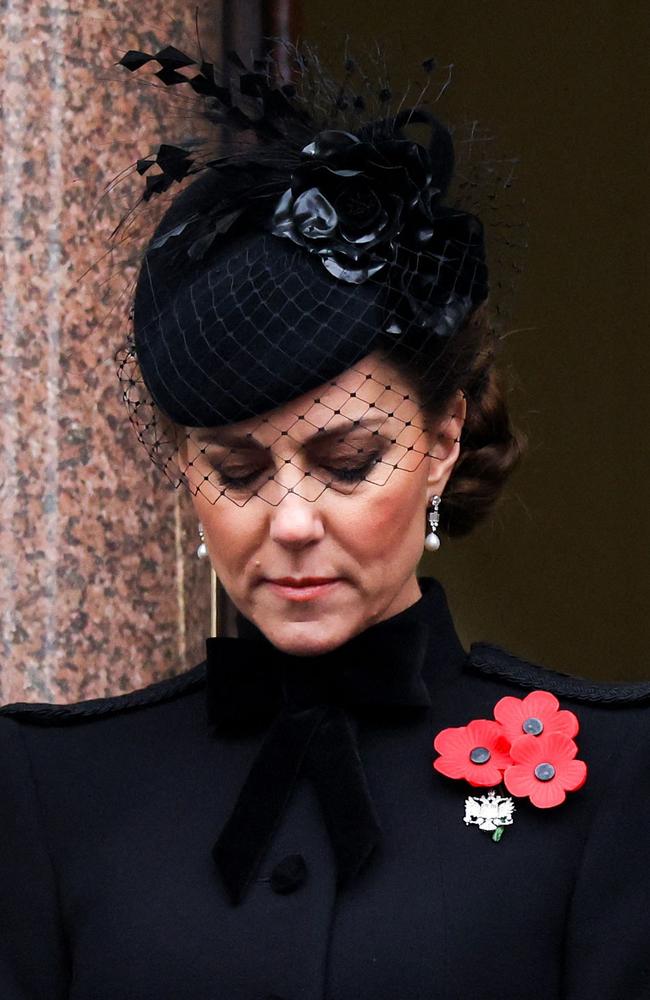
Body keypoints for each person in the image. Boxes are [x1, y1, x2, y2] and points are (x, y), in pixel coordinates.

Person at [1, 40, 649, 1000]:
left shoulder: (615, 780)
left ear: (442, 441)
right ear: (186, 472)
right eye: (237, 470)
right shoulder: (51, 788)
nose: (292, 520)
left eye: (348, 463)